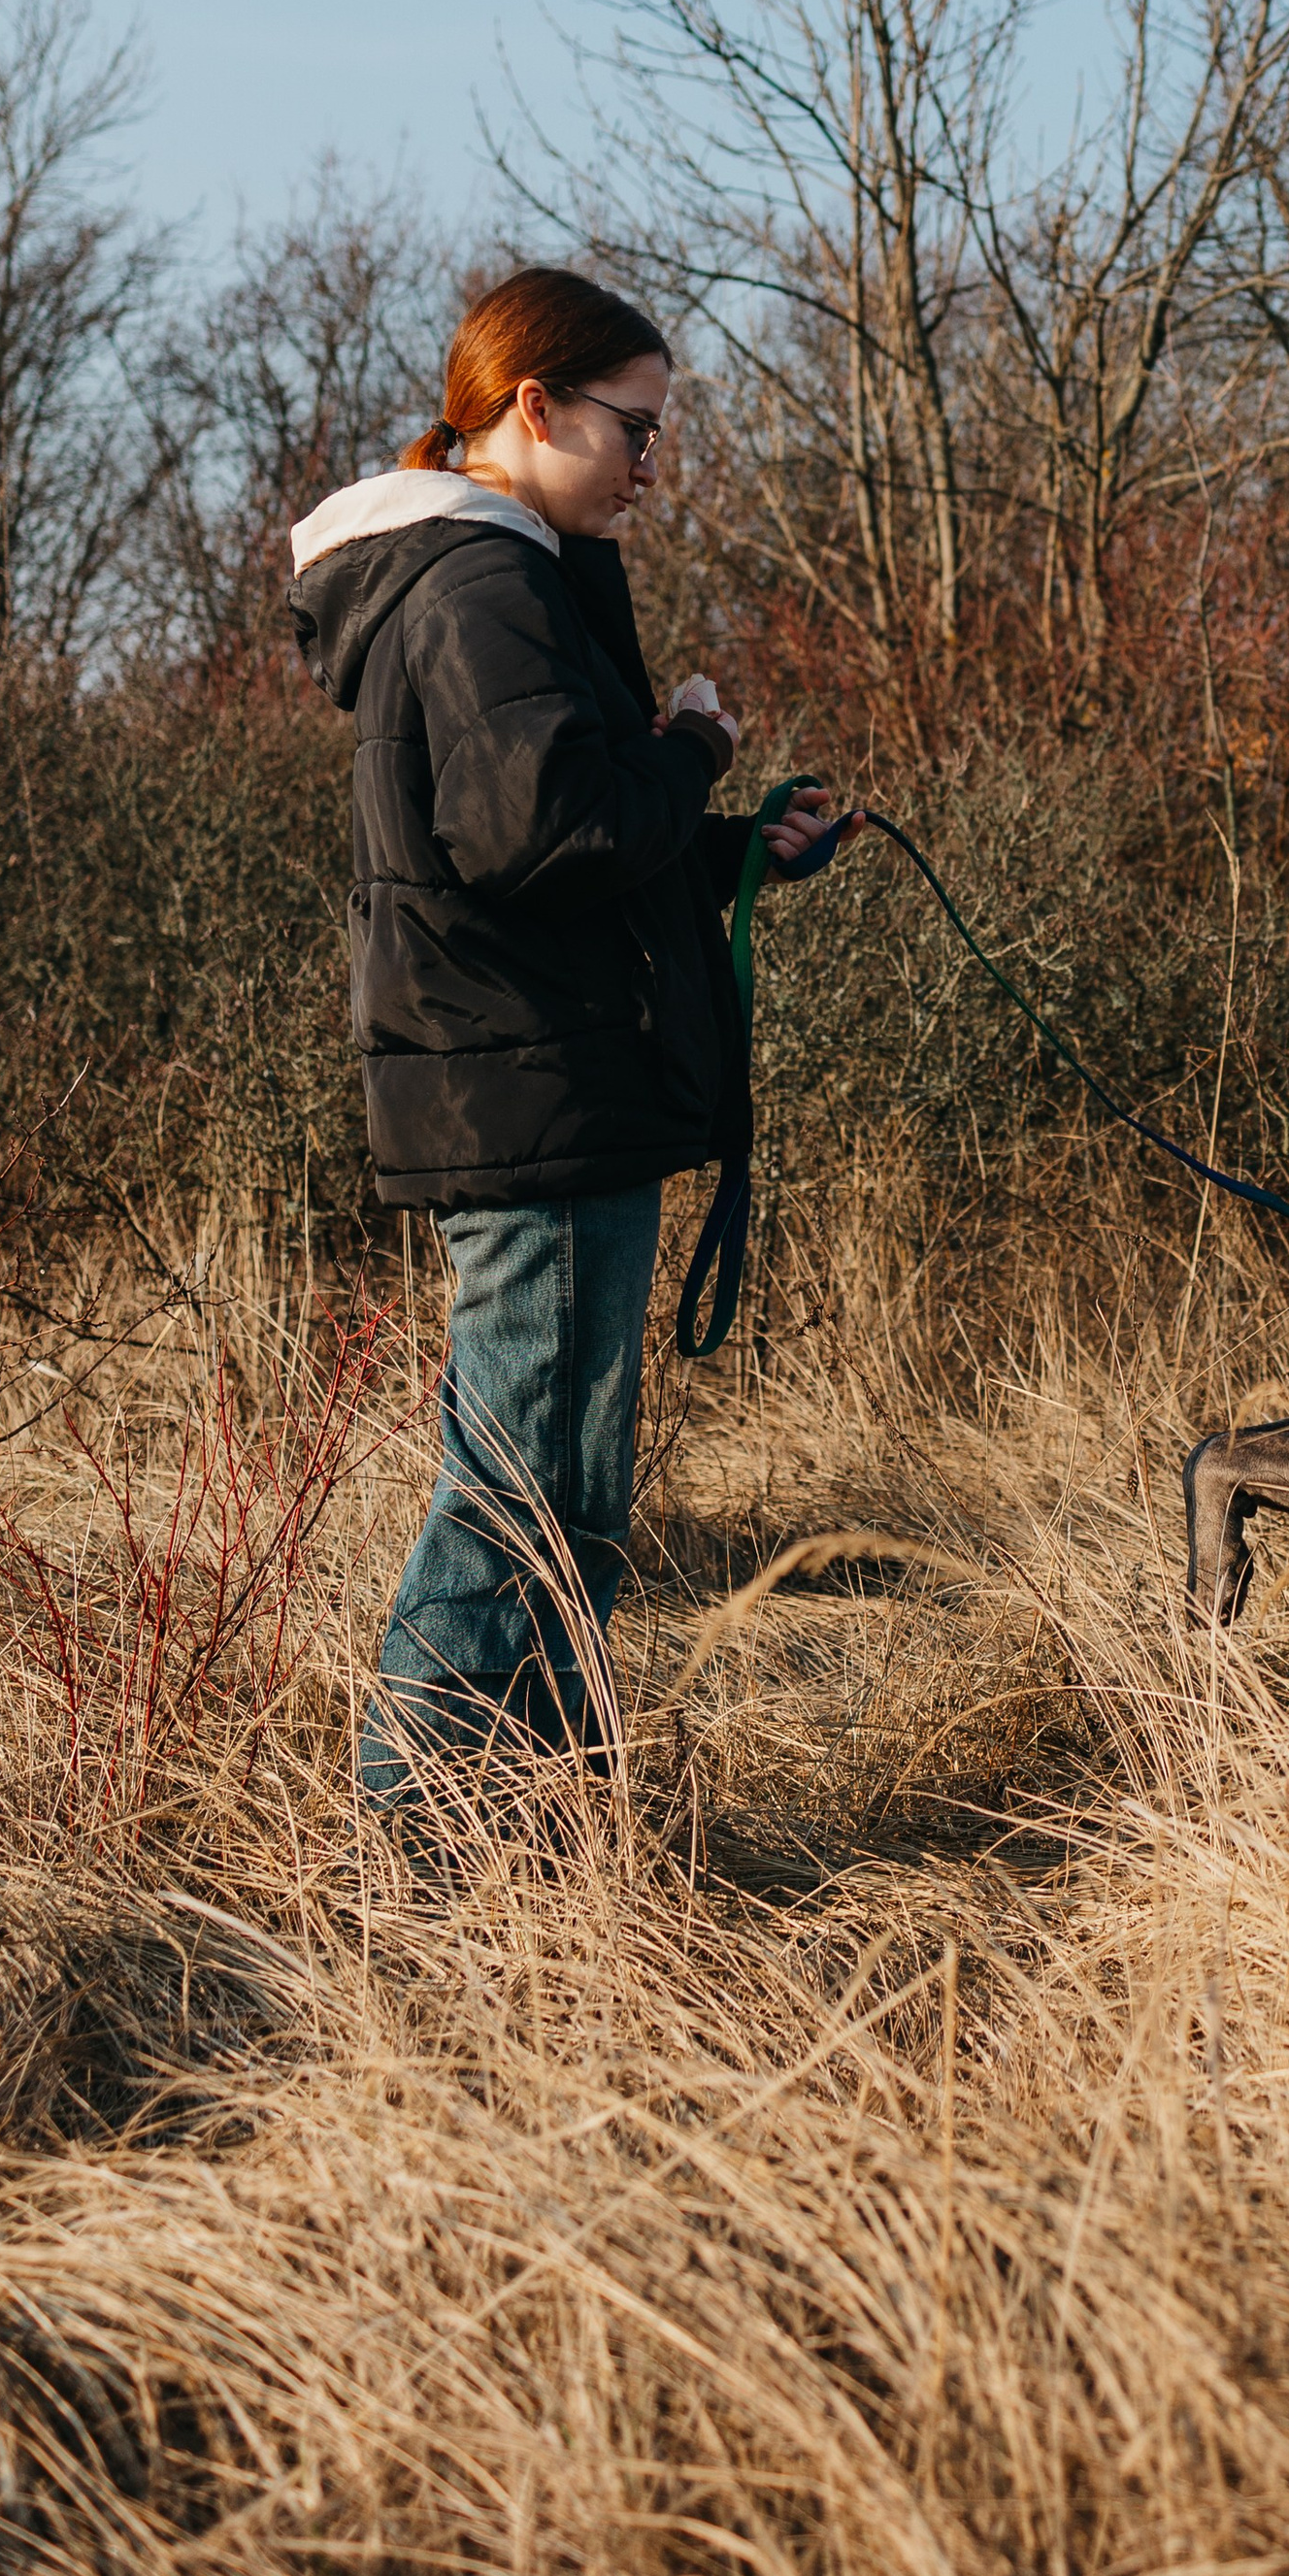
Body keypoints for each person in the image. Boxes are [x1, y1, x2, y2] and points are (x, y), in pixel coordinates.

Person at [288, 265, 857, 1822]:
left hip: (558, 1088)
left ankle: (537, 1834)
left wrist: (740, 843)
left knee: (569, 1503)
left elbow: (563, 837)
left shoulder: (510, 573)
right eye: (636, 426)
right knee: (520, 1499)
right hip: (528, 1094)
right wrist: (689, 746)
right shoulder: (478, 585)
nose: (654, 462)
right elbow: (544, 830)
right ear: (532, 408)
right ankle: (410, 1860)